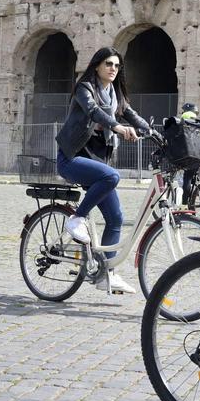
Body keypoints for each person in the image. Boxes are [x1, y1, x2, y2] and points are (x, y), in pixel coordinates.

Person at [54, 47, 151, 294]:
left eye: (117, 66)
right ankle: (77, 218)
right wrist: (117, 127)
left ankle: (106, 275)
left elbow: (131, 114)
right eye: (108, 64)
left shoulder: (115, 93)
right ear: (97, 65)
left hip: (97, 160)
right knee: (112, 176)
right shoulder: (84, 87)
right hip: (73, 157)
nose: (113, 69)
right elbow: (93, 111)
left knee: (116, 218)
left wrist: (153, 131)